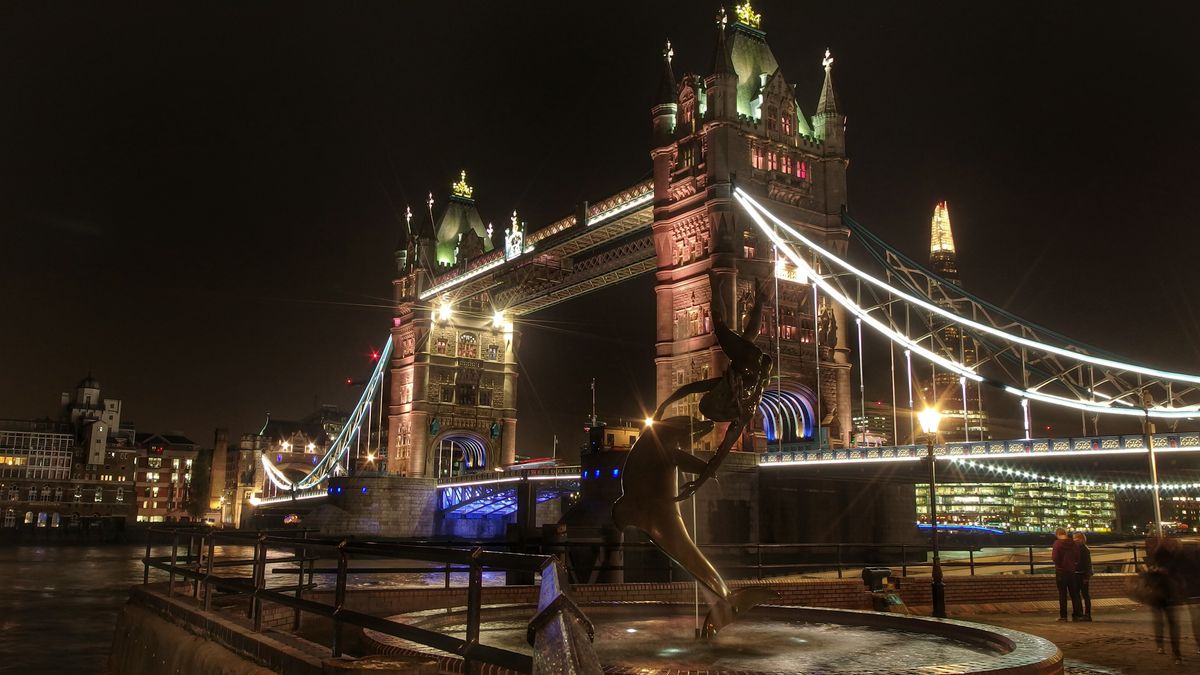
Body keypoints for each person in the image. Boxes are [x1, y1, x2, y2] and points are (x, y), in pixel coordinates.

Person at [1145, 536, 1185, 664]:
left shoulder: (1155, 556)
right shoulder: (1170, 557)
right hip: (1165, 594)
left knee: (1162, 621)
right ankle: (1174, 652)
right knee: (1170, 623)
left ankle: (1165, 647)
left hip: (1162, 594)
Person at [1051, 527, 1082, 621]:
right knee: (1074, 594)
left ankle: (1063, 616)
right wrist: (1072, 564)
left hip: (1061, 571)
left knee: (1062, 594)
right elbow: (1077, 557)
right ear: (1066, 533)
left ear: (1057, 534)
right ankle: (1076, 615)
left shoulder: (1057, 544)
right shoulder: (1074, 543)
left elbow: (1055, 557)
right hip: (1072, 571)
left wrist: (1060, 565)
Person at [1073, 532, 1092, 621]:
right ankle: (1086, 614)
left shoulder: (1080, 548)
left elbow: (1086, 564)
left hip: (1078, 574)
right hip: (1083, 574)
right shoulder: (1084, 548)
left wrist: (1086, 576)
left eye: (1075, 538)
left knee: (1078, 595)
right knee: (1085, 595)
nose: (1074, 540)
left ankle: (1081, 614)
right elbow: (1088, 564)